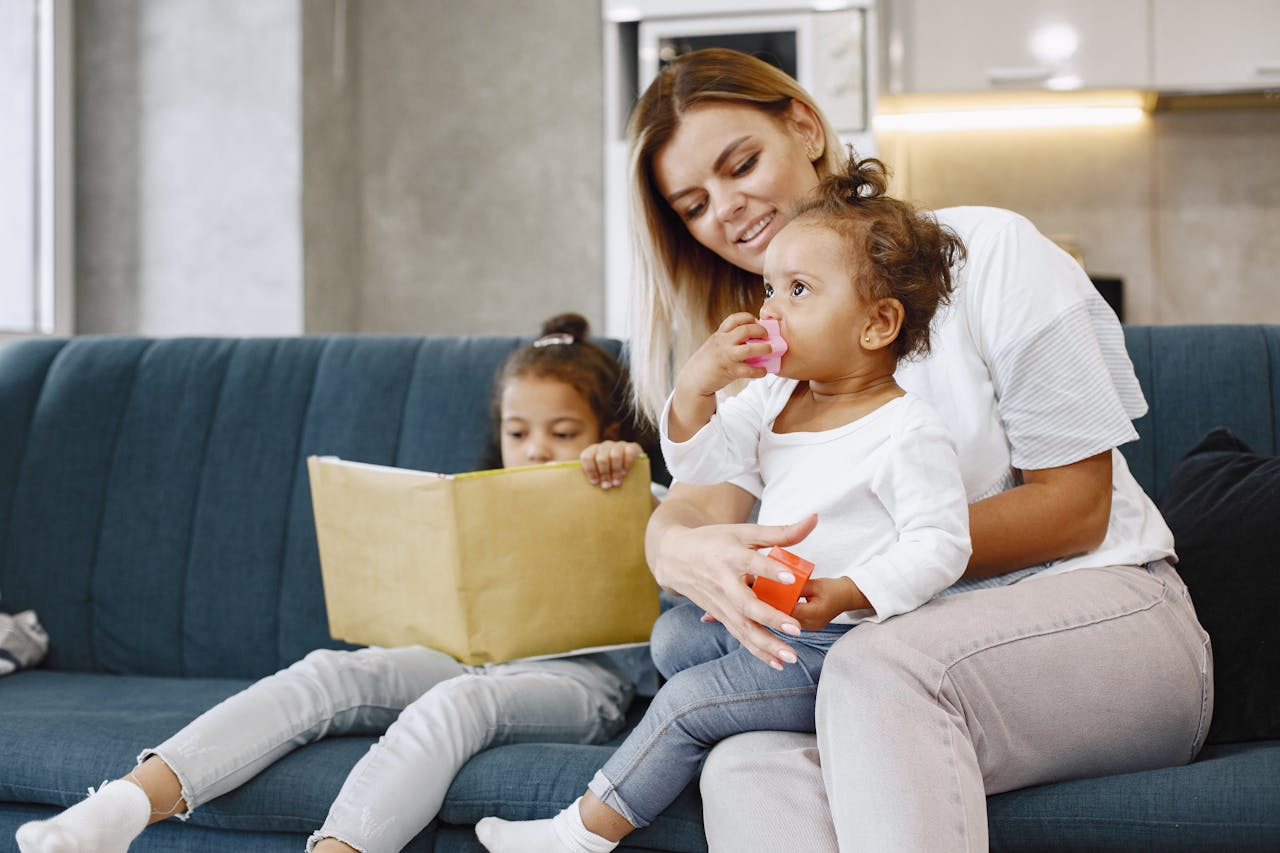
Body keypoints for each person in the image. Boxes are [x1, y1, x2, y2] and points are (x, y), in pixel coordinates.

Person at [618, 47, 1210, 851]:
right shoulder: (761, 352)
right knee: (744, 760)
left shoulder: (991, 251)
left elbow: (1077, 506)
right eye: (693, 204)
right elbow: (694, 506)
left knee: (874, 670)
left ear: (806, 125)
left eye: (742, 163)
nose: (725, 206)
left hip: (1104, 614)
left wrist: (859, 575)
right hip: (884, 643)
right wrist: (675, 553)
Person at [15, 313, 660, 853]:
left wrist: (629, 485)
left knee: (455, 706)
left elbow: (679, 538)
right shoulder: (481, 501)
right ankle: (122, 807)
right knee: (330, 673)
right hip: (468, 656)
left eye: (564, 433)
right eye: (518, 433)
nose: (537, 450)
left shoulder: (630, 488)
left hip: (581, 681)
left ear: (607, 434)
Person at [474, 155, 973, 853]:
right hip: (781, 617)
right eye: (769, 288)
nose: (770, 310)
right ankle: (752, 701)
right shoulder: (775, 398)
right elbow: (702, 465)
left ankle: (580, 833)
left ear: (877, 324)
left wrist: (845, 590)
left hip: (846, 644)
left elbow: (942, 543)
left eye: (798, 289)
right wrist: (697, 388)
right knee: (673, 638)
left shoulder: (907, 430)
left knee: (684, 701)